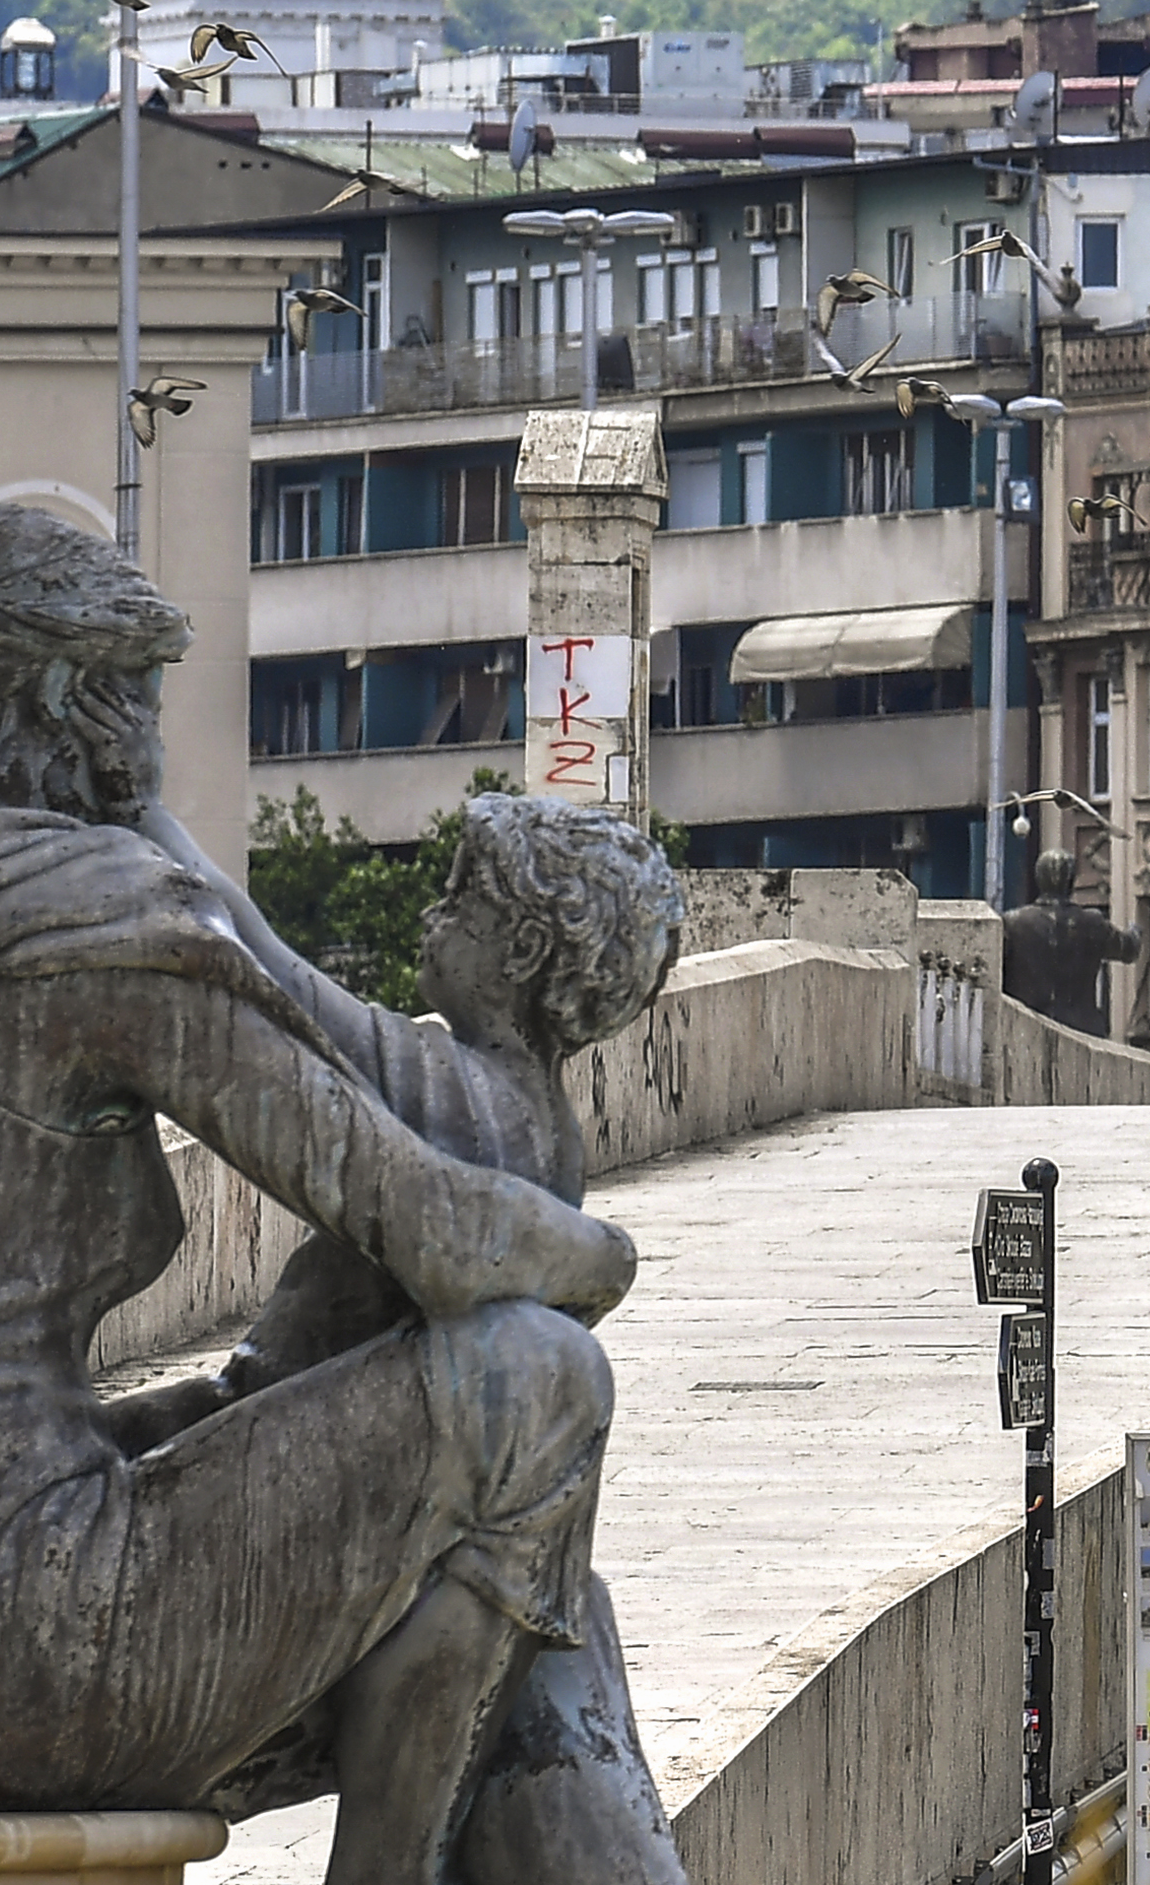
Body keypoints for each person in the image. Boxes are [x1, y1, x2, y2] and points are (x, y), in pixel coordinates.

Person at [0, 506, 635, 1885]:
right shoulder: (79, 911)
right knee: (538, 1386)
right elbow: (440, 1231)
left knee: (517, 1594)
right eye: (145, 708)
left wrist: (222, 1413)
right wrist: (603, 1248)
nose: (154, 755)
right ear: (60, 702)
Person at [122, 795, 695, 1876]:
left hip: (355, 1518)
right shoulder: (544, 1129)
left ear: (521, 946)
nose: (431, 919)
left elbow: (269, 969)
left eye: (457, 900)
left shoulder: (462, 1099)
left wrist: (152, 809)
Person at [999, 844, 1142, 1032]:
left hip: (1025, 1028)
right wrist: (1136, 929)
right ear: (1072, 880)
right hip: (1082, 1028)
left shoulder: (1013, 922)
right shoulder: (1093, 922)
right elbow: (1129, 949)